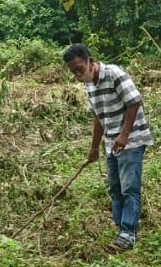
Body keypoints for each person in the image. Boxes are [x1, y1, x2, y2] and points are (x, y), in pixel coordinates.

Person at [65, 43, 154, 251]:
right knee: (114, 188)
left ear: (90, 60)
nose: (78, 74)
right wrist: (94, 147)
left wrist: (124, 135)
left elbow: (134, 102)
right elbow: (98, 117)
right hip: (111, 143)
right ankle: (120, 227)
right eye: (73, 71)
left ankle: (128, 233)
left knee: (129, 187)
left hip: (131, 140)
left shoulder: (114, 73)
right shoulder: (89, 85)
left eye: (80, 67)